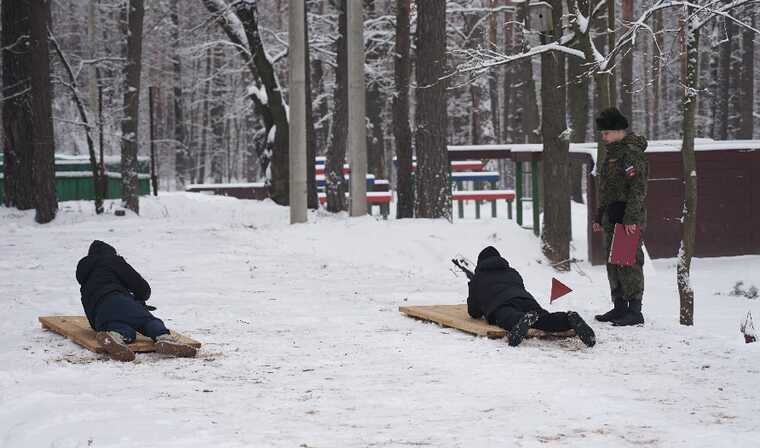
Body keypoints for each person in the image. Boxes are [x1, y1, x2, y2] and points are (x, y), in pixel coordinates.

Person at [75, 240, 197, 361]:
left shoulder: (85, 280)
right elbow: (142, 288)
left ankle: (115, 336)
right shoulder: (113, 261)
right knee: (146, 321)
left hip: (100, 315)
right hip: (119, 300)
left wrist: (99, 325)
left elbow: (89, 310)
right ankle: (164, 338)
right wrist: (139, 300)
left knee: (125, 330)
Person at [467, 246, 596, 347]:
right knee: (543, 319)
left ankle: (521, 320)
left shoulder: (478, 278)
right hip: (526, 299)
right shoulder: (513, 272)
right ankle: (567, 319)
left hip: (501, 303)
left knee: (506, 315)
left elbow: (474, 311)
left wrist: (473, 287)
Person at [592, 107, 649, 327]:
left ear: (618, 131)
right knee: (613, 262)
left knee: (628, 262)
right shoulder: (612, 154)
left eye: (606, 133)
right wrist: (599, 215)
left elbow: (638, 188)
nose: (603, 137)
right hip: (611, 215)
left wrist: (631, 219)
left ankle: (635, 310)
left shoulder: (631, 153)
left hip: (627, 215)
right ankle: (619, 306)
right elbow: (606, 189)